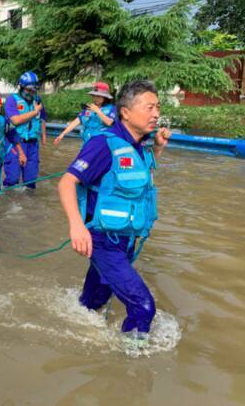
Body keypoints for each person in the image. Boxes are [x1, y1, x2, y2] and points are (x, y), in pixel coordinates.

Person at [58, 80, 171, 342]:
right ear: (126, 112)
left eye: (158, 107)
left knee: (93, 302)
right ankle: (130, 369)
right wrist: (76, 226)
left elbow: (133, 180)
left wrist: (158, 149)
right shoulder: (103, 145)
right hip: (103, 241)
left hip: (125, 240)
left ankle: (74, 329)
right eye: (149, 107)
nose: (156, 113)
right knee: (143, 308)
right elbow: (66, 182)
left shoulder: (139, 146)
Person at [3, 71, 47, 189]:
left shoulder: (37, 99)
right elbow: (15, 120)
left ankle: (29, 204)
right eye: (30, 90)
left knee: (31, 180)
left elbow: (42, 118)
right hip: (15, 142)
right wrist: (34, 112)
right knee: (12, 178)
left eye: (34, 90)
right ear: (22, 87)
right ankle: (9, 200)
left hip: (32, 143)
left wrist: (43, 136)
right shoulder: (12, 100)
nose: (32, 92)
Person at [53, 82, 117, 146]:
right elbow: (77, 121)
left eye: (98, 96)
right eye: (94, 96)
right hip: (87, 143)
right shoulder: (88, 108)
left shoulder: (111, 109)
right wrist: (62, 134)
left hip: (101, 145)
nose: (95, 98)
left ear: (105, 97)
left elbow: (109, 123)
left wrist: (98, 111)